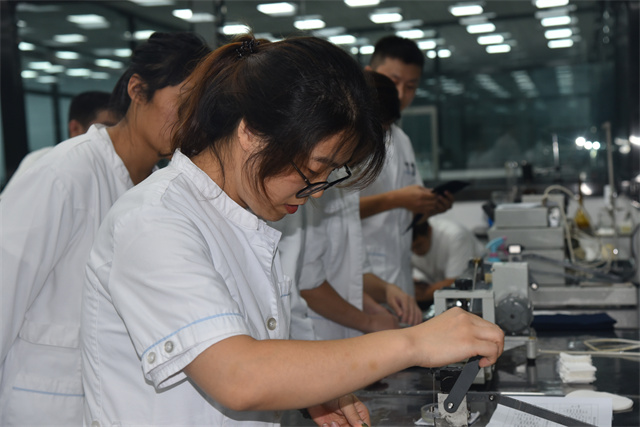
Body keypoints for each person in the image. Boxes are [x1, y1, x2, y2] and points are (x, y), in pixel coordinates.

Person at [80, 35, 504, 426]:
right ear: (251, 133)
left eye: (329, 176)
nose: (316, 192)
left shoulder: (245, 219)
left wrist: (312, 389)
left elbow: (263, 350)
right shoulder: (154, 221)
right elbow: (239, 375)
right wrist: (413, 343)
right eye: (314, 169)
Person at [0, 32, 210, 426]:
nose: (190, 122)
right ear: (137, 90)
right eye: (183, 104)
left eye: (200, 111)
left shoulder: (162, 191)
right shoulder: (64, 173)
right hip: (45, 404)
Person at [275, 70, 422, 340]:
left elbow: (347, 272)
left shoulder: (341, 177)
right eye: (379, 133)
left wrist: (383, 296)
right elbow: (308, 281)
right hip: (313, 335)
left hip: (339, 334)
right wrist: (369, 321)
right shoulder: (306, 183)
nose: (378, 146)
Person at [360, 36, 454, 297]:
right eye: (393, 80)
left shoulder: (402, 140)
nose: (400, 93)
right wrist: (397, 199)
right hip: (360, 279)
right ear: (369, 74)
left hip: (399, 274)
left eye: (411, 86)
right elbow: (331, 211)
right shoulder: (351, 138)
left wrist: (428, 207)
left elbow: (408, 215)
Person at [0, 91, 119, 194]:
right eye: (106, 128)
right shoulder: (42, 160)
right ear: (75, 128)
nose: (114, 135)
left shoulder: (116, 167)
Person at [411, 216, 486, 305]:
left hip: (475, 292)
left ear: (429, 231)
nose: (415, 251)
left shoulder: (455, 235)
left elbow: (455, 282)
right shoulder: (404, 241)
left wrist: (417, 295)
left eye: (418, 246)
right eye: (411, 248)